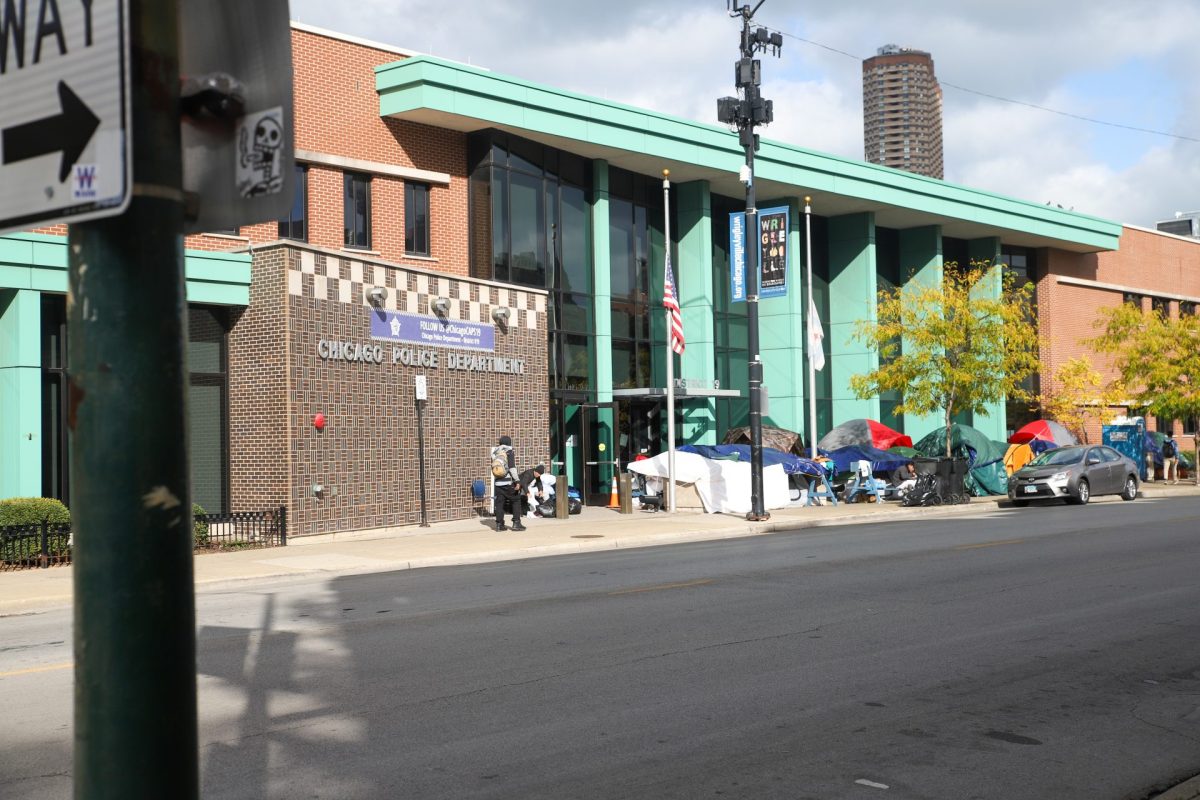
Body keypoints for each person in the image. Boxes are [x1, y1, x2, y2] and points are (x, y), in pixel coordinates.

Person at [491, 436, 525, 531]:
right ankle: (516, 523)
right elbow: (512, 468)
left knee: (499, 504)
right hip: (508, 483)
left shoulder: (495, 453)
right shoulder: (509, 451)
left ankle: (499, 525)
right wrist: (517, 481)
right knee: (516, 500)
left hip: (498, 483)